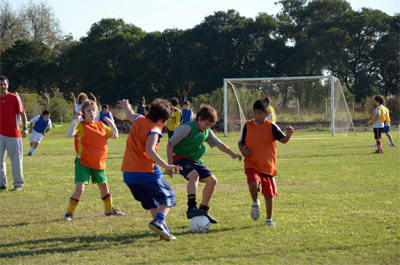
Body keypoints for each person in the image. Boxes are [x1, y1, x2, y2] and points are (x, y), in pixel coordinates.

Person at [167, 105, 242, 224]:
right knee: (194, 175)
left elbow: (219, 143)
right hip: (179, 158)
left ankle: (203, 210)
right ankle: (191, 208)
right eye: (206, 124)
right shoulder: (186, 128)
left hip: (193, 160)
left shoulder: (207, 131)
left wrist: (232, 154)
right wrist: (170, 165)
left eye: (210, 125)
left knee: (212, 181)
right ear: (199, 118)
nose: (207, 127)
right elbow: (170, 144)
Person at [119, 99, 182, 241]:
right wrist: (167, 165)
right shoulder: (154, 130)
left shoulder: (139, 119)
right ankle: (159, 221)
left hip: (128, 174)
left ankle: (163, 231)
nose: (165, 125)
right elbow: (150, 151)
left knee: (153, 202)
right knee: (169, 196)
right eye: (166, 121)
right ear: (161, 119)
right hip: (146, 172)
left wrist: (126, 106)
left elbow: (129, 114)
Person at [63, 100, 124, 221]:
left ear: (97, 112)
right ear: (84, 113)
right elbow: (69, 134)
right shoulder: (81, 125)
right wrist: (75, 121)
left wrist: (112, 124)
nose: (91, 112)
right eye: (88, 110)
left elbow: (115, 136)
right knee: (80, 189)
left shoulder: (101, 125)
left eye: (93, 110)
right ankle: (69, 213)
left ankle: (109, 210)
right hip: (83, 162)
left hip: (99, 162)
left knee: (104, 187)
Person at [238, 99, 294, 227]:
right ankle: (255, 202)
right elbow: (240, 141)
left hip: (267, 165)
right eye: (254, 113)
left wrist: (288, 135)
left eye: (260, 114)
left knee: (268, 194)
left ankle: (269, 219)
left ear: (267, 113)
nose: (256, 116)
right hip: (251, 162)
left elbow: (283, 140)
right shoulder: (248, 125)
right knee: (253, 182)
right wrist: (242, 149)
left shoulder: (271, 126)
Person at [0, 76, 28, 191]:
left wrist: (25, 128)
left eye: (4, 84)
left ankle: (18, 183)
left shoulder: (15, 98)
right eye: (1, 84)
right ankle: (2, 183)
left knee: (16, 161)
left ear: (8, 85)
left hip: (13, 135)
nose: (3, 86)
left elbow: (22, 114)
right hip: (0, 134)